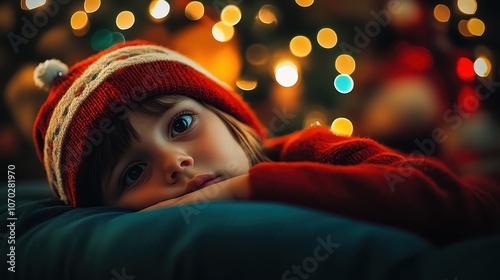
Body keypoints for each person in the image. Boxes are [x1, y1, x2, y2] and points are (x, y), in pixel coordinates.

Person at [33, 40, 500, 246]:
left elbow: (465, 206)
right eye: (133, 173)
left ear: (230, 116)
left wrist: (240, 189)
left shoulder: (312, 149)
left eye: (180, 124)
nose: (176, 162)